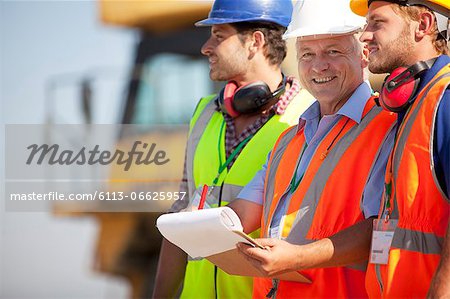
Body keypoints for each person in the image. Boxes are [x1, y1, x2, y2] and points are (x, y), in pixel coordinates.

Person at [231, 0, 397, 297]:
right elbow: (243, 212)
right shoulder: (288, 140)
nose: (319, 65)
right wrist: (196, 225)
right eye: (307, 54)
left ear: (363, 54)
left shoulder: (387, 128)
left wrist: (297, 256)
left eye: (333, 51)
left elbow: (385, 229)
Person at [152, 0, 314, 298]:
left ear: (255, 42)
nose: (206, 47)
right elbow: (180, 216)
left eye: (218, 35)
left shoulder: (308, 117)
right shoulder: (203, 114)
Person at [349, 0, 450, 297]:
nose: (364, 36)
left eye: (377, 23)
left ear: (423, 25)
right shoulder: (413, 102)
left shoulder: (443, 100)